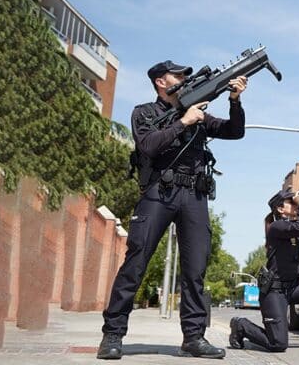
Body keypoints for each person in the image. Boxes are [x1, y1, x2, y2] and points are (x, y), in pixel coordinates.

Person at [97, 59, 248, 360]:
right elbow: (148, 146)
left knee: (195, 270)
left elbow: (235, 131)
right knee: (136, 263)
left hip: (194, 195)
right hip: (158, 192)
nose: (182, 78)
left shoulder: (198, 113)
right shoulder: (144, 112)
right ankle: (112, 335)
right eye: (176, 75)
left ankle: (193, 338)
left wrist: (235, 100)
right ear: (160, 82)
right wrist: (184, 122)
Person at [229, 190, 299, 352]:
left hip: (294, 288)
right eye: (292, 202)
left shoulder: (295, 230)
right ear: (280, 209)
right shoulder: (277, 227)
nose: (296, 204)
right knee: (278, 344)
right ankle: (241, 326)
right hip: (274, 292)